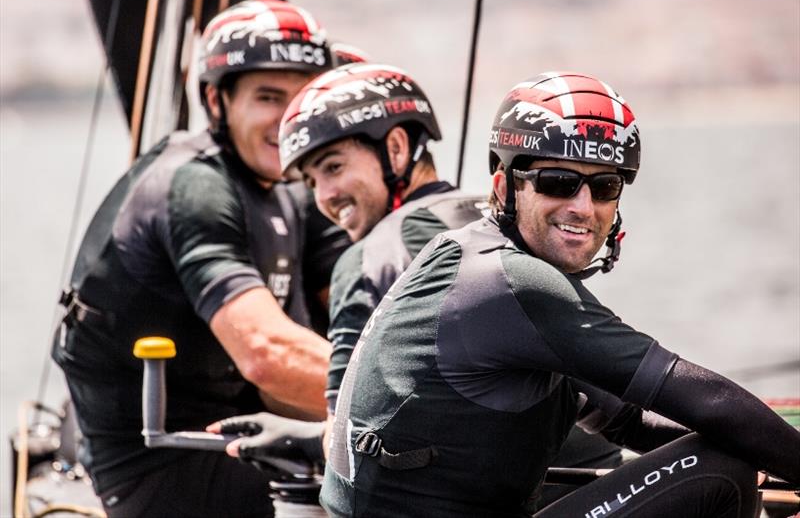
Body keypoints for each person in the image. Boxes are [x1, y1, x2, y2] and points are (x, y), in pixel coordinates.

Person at [311, 72, 798, 517]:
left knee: (738, 446)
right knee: (720, 468)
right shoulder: (510, 282)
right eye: (558, 182)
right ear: (504, 188)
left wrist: (773, 448)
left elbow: (630, 421)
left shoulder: (467, 254)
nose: (583, 207)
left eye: (604, 186)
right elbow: (705, 400)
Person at [210, 64, 627, 509]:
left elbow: (344, 446)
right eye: (312, 182)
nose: (324, 197)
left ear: (395, 148)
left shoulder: (369, 258)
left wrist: (313, 438)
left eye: (333, 167)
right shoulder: (511, 226)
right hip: (607, 484)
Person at [51, 0, 350, 518]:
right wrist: (418, 397)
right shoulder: (194, 187)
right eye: (267, 97)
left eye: (303, 97)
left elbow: (361, 305)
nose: (289, 120)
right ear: (216, 101)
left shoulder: (295, 188)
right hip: (163, 465)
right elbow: (267, 355)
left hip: (248, 431)